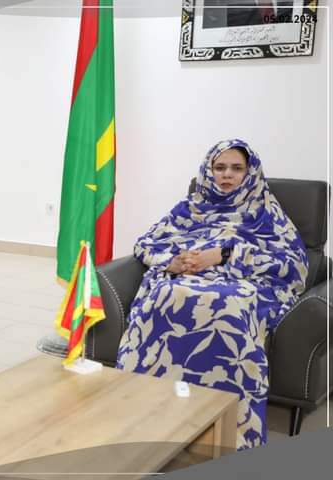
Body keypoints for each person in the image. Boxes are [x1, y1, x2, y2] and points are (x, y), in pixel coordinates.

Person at [116, 139, 308, 449]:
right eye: (220, 167)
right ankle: (147, 414)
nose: (227, 175)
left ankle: (231, 430)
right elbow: (146, 244)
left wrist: (225, 255)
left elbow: (294, 265)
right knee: (165, 294)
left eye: (237, 168)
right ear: (208, 171)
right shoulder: (190, 207)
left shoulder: (265, 212)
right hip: (185, 278)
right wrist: (173, 262)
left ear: (250, 173)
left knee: (227, 304)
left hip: (245, 285)